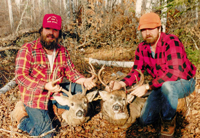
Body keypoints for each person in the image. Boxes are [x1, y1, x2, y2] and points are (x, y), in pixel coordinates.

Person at [106, 12, 196, 138]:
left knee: (168, 87)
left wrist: (147, 87)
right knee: (144, 120)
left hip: (184, 82)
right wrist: (121, 83)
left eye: (151, 29)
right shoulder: (142, 48)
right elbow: (136, 72)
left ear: (159, 29)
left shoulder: (171, 41)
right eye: (143, 30)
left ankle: (168, 121)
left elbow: (174, 73)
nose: (147, 33)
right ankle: (164, 107)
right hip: (159, 84)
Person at [11, 13, 96, 137]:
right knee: (47, 134)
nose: (51, 33)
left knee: (86, 94)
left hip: (56, 91)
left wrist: (84, 80)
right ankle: (22, 117)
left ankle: (55, 109)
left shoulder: (62, 51)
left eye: (55, 30)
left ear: (59, 33)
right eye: (48, 29)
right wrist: (45, 85)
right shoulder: (27, 49)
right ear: (41, 30)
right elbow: (21, 77)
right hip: (35, 96)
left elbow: (71, 71)